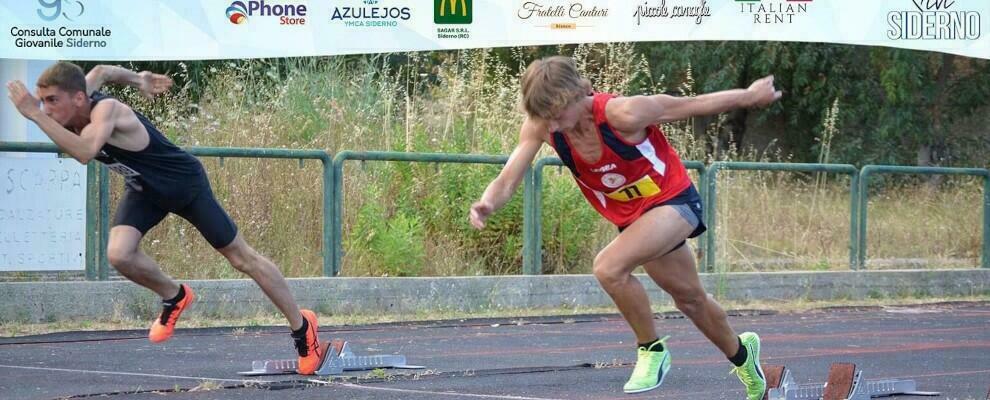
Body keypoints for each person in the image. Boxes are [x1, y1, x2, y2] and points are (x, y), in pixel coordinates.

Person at [469, 56, 781, 398]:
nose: (553, 126)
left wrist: (749, 96)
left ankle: (652, 350)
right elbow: (507, 179)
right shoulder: (542, 126)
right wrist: (488, 203)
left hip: (674, 202)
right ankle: (743, 355)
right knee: (690, 300)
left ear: (578, 95)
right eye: (545, 118)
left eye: (558, 115)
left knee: (608, 267)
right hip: (636, 219)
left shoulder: (623, 113)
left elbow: (692, 104)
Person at [5, 62, 323, 375]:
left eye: (51, 101)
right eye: (42, 101)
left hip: (183, 184)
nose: (45, 109)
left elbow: (85, 151)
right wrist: (139, 78)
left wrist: (32, 112)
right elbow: (102, 71)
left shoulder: (107, 110)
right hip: (144, 189)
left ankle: (302, 326)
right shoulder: (79, 94)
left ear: (77, 98)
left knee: (242, 258)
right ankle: (175, 295)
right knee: (119, 254)